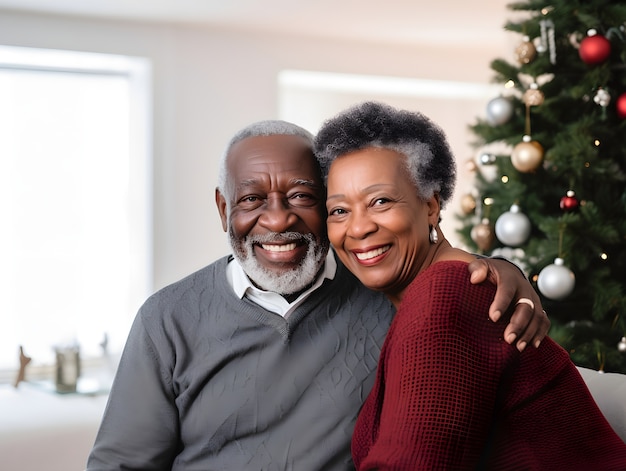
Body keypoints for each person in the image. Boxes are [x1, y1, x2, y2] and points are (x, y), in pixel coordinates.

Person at [86, 119, 550, 470]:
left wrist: (504, 271)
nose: (277, 220)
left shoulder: (382, 294)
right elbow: (120, 465)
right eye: (251, 200)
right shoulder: (167, 318)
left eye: (302, 196)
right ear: (223, 208)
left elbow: (444, 290)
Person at [314, 101, 626, 470]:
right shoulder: (437, 289)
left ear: (430, 206)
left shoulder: (445, 294)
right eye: (339, 211)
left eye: (380, 201)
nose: (358, 228)